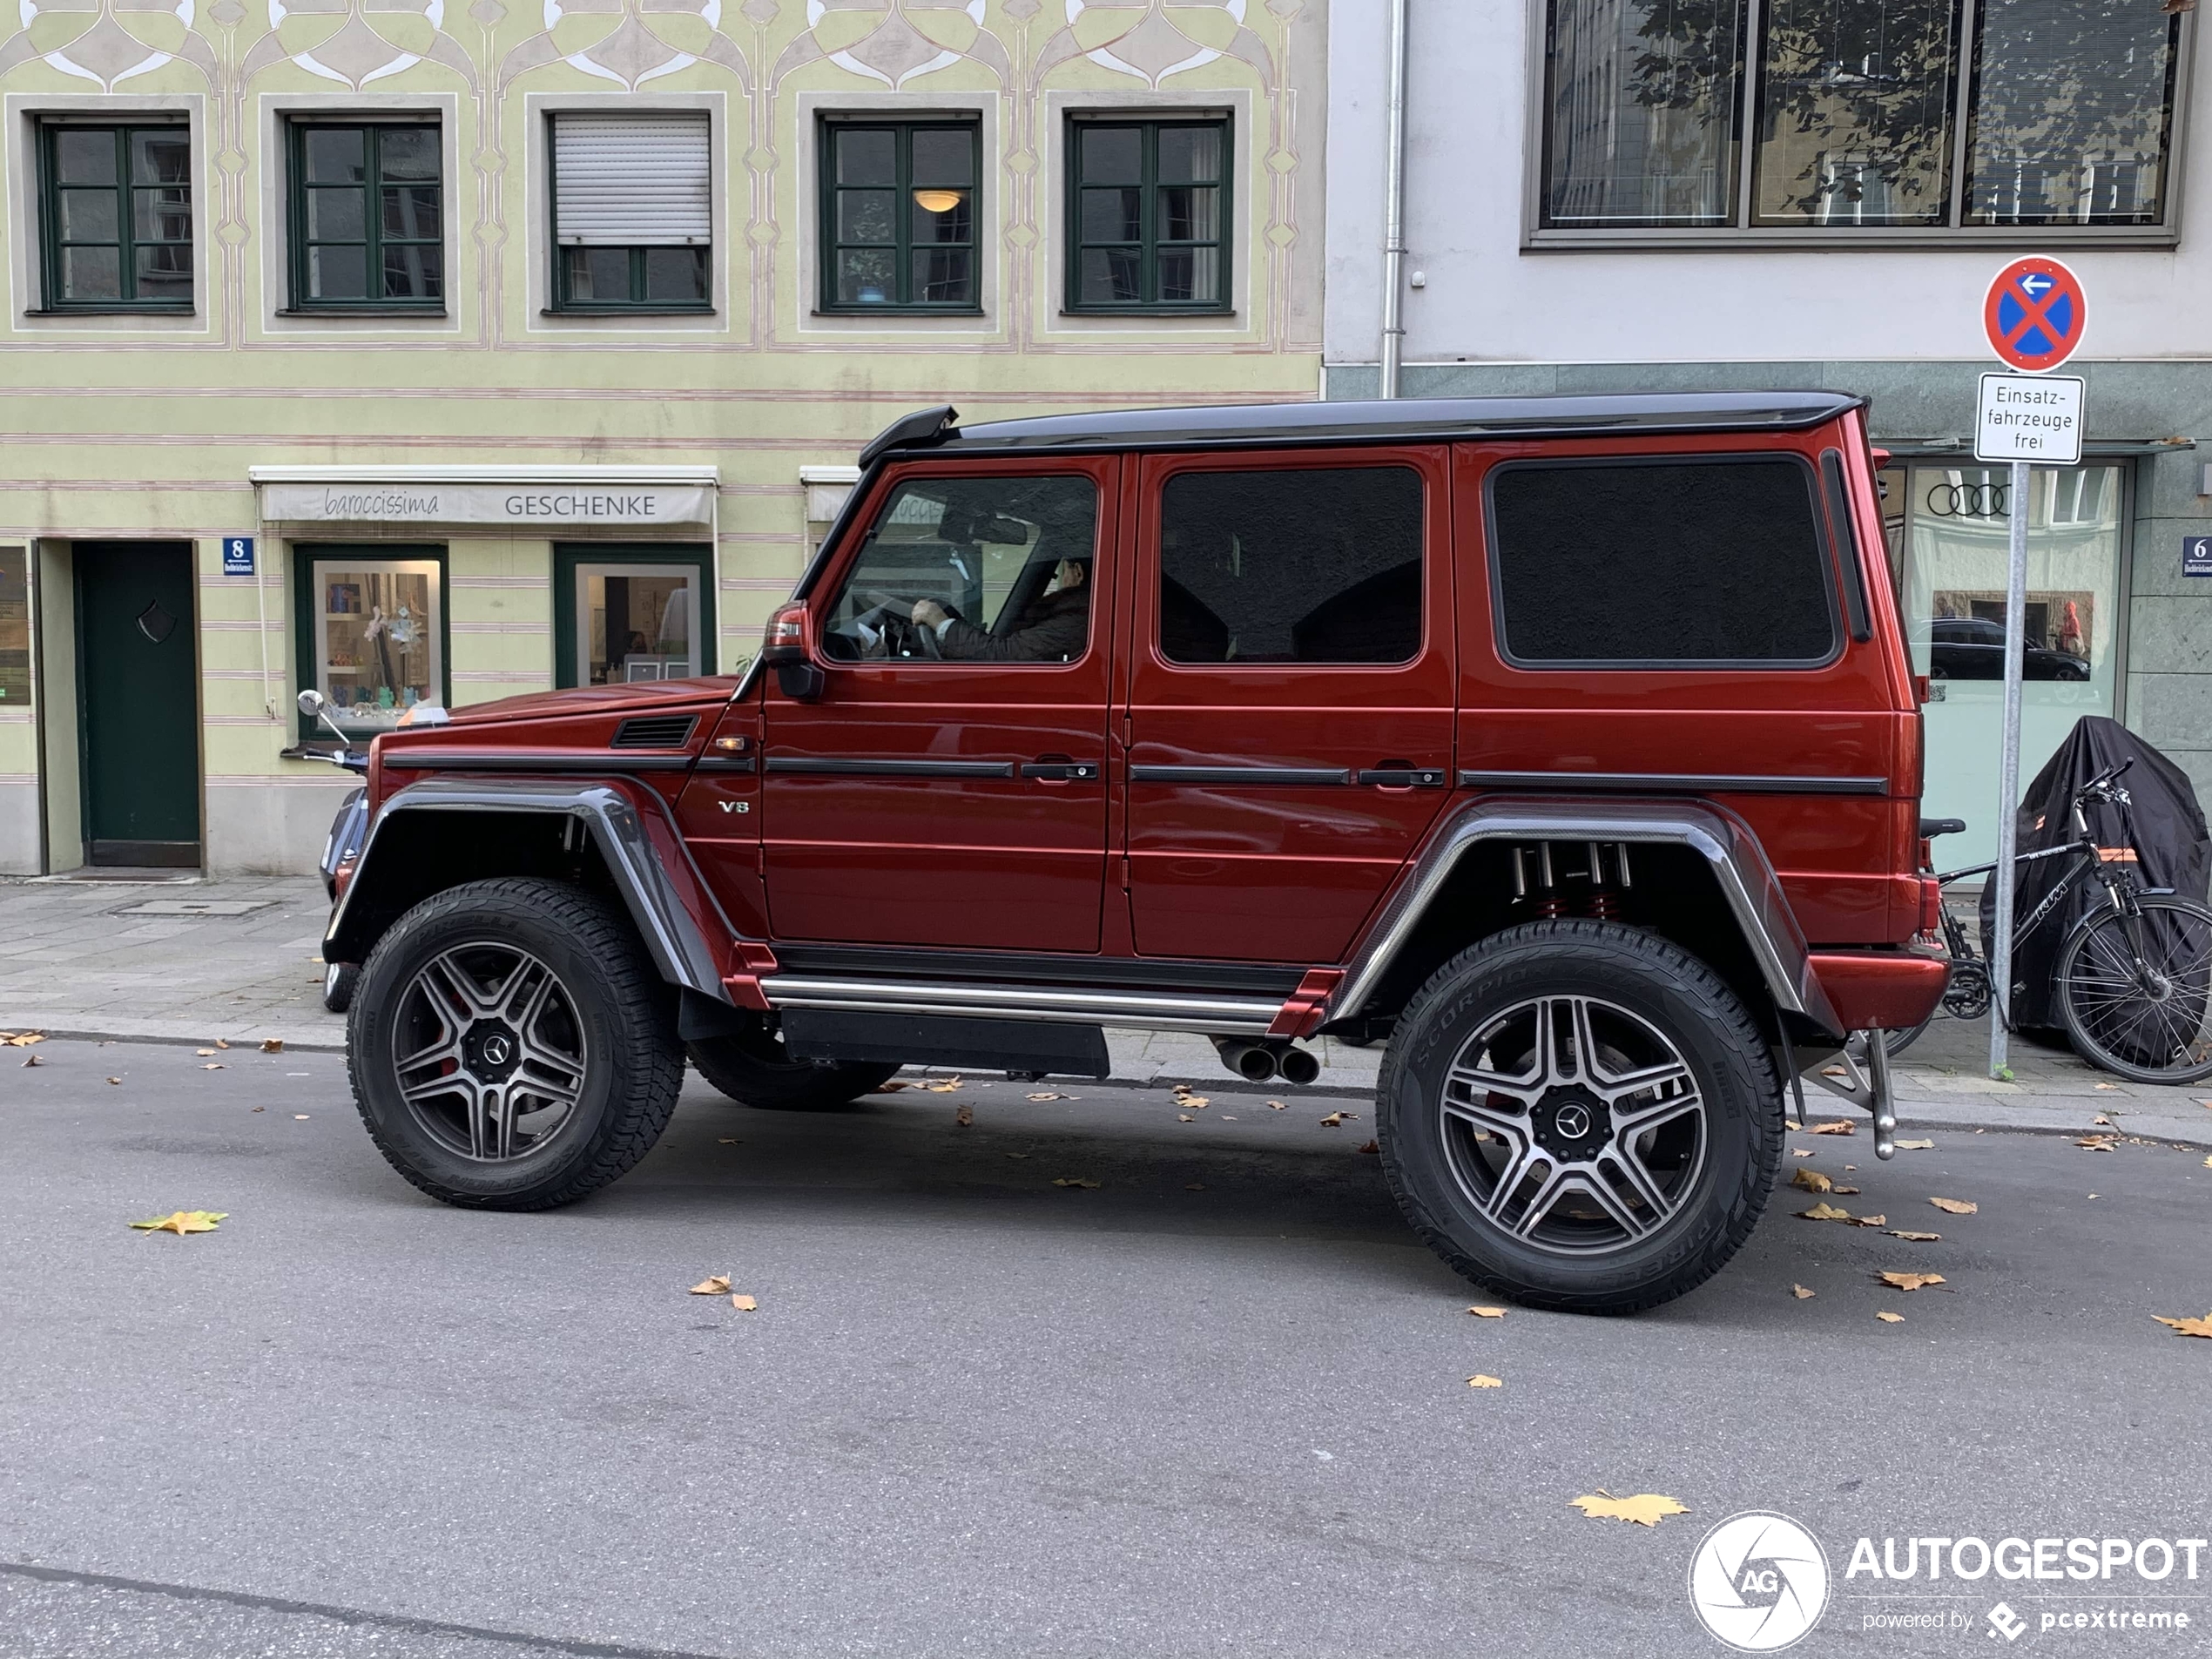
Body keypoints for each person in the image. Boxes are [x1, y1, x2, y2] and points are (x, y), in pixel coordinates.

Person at [910, 556, 1091, 663]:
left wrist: (941, 624)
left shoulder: (1075, 619)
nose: (1062, 579)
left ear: (1078, 573)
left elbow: (1004, 656)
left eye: (1064, 571)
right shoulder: (1082, 615)